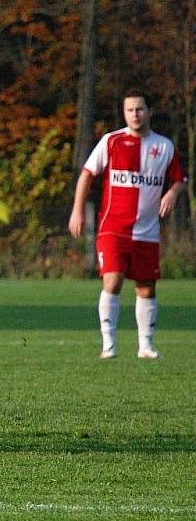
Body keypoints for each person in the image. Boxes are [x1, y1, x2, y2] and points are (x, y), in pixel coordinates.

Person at [68, 89, 186, 359]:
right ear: (124, 113)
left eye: (140, 109)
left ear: (149, 112)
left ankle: (146, 345)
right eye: (130, 110)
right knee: (113, 280)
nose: (135, 114)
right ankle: (108, 344)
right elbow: (87, 175)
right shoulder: (112, 142)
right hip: (113, 228)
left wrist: (172, 192)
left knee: (146, 286)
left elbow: (180, 179)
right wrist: (77, 210)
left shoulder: (164, 147)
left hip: (147, 231)